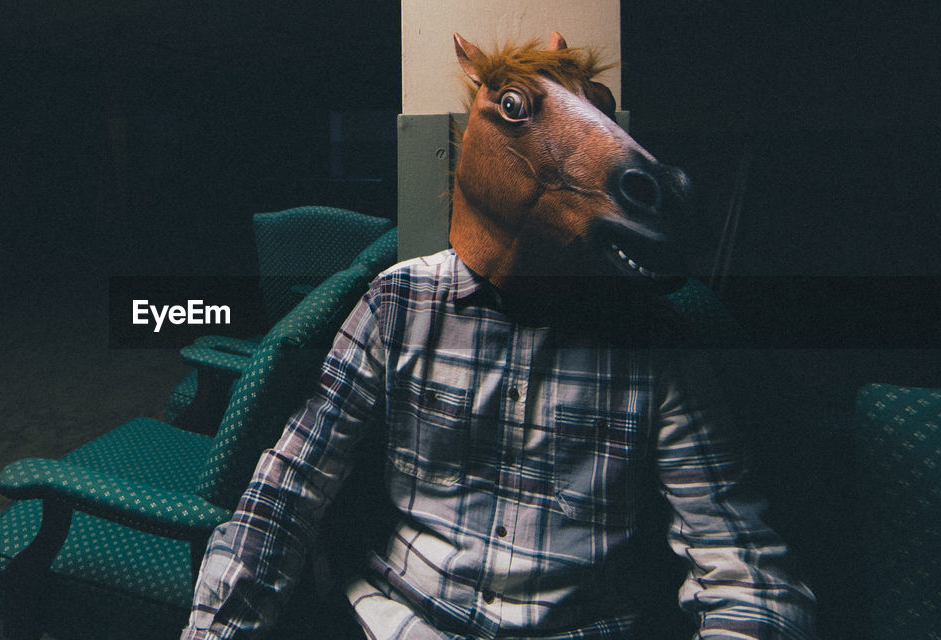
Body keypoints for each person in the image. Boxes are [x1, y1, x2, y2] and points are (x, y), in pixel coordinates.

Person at [180, 34, 816, 640]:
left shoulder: (653, 345)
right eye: (514, 105)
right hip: (394, 621)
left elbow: (741, 566)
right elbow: (287, 490)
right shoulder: (400, 302)